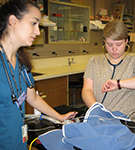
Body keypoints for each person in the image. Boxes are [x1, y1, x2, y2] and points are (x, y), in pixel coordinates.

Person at [0, 0, 77, 149]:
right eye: (33, 23)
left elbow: (32, 97)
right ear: (13, 21)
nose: (38, 32)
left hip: (18, 143)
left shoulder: (21, 62)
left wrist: (59, 117)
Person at [82, 20, 135, 123]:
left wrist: (119, 84)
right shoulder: (94, 62)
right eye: (109, 44)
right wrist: (96, 108)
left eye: (119, 44)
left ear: (126, 42)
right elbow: (87, 90)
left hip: (126, 121)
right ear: (104, 42)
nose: (114, 49)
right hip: (99, 119)